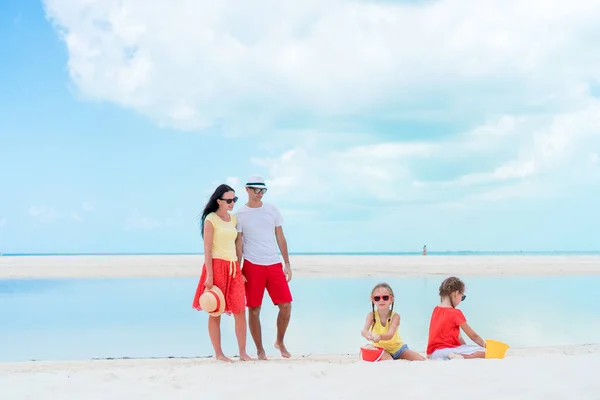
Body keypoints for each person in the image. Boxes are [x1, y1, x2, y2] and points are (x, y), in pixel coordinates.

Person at [235, 175, 293, 360]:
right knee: (254, 308)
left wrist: (287, 264)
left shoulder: (272, 210)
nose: (260, 194)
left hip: (274, 264)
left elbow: (280, 237)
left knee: (285, 305)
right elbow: (238, 243)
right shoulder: (240, 215)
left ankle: (280, 341)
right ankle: (260, 350)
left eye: (263, 190)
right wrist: (238, 269)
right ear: (247, 189)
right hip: (252, 265)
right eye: (256, 190)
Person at [192, 184, 252, 362]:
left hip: (233, 268)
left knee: (240, 310)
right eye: (229, 200)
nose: (232, 203)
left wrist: (239, 270)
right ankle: (218, 353)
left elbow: (237, 245)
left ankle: (243, 352)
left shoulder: (233, 220)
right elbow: (207, 249)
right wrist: (210, 274)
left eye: (234, 199)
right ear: (219, 201)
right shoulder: (211, 219)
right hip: (216, 267)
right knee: (215, 310)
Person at [360, 282, 425, 361]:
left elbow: (390, 335)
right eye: (377, 298)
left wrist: (379, 337)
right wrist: (367, 334)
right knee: (390, 362)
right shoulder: (371, 315)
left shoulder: (395, 316)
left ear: (391, 299)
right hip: (381, 350)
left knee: (421, 360)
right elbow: (364, 330)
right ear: (373, 300)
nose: (381, 300)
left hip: (399, 349)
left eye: (385, 297)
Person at [426, 276, 486, 360]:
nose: (461, 300)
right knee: (484, 352)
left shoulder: (436, 310)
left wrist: (465, 347)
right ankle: (465, 356)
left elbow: (458, 338)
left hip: (433, 353)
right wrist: (485, 346)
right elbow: (473, 336)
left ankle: (456, 356)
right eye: (462, 297)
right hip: (448, 351)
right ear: (456, 293)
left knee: (464, 348)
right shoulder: (455, 313)